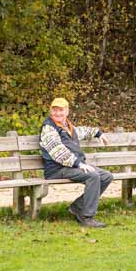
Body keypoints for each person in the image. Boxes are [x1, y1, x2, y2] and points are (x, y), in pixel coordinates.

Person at [38, 97, 112, 228]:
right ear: (50, 111)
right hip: (57, 169)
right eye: (55, 110)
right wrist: (79, 164)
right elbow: (58, 152)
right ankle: (86, 217)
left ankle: (77, 207)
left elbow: (83, 131)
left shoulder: (68, 126)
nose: (58, 113)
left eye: (61, 110)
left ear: (67, 111)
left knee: (106, 176)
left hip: (71, 166)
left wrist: (98, 133)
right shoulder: (49, 128)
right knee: (93, 175)